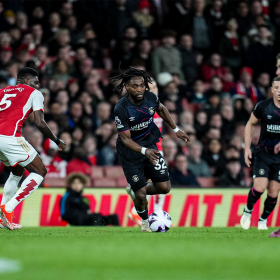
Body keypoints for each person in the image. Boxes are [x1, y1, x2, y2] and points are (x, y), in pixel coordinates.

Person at [110, 67, 189, 232]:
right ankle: (145, 223)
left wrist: (175, 130)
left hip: (150, 145)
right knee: (140, 195)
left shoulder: (151, 98)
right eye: (135, 86)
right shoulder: (121, 108)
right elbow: (125, 139)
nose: (139, 89)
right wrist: (144, 151)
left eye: (142, 85)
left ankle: (136, 188)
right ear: (127, 87)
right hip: (130, 152)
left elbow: (162, 110)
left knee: (164, 188)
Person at [0, 67, 66, 230]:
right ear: (27, 81)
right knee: (40, 171)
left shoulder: (2, 91)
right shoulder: (34, 93)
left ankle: (1, 218)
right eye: (36, 82)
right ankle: (8, 209)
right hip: (10, 137)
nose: (38, 85)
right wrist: (56, 140)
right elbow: (39, 122)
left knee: (17, 171)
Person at [241, 77, 280, 232]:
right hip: (263, 154)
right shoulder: (263, 106)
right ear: (272, 89)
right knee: (260, 188)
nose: (279, 91)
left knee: (273, 192)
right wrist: (247, 148)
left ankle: (262, 220)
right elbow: (250, 124)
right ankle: (247, 211)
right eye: (276, 88)